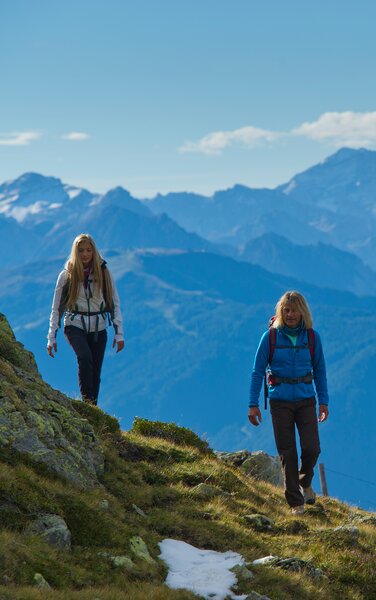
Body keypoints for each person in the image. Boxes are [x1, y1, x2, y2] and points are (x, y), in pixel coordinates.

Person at [248, 291, 329, 515]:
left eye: (294, 310)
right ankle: (296, 503)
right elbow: (257, 372)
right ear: (280, 312)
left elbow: (319, 370)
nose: (290, 314)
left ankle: (305, 481)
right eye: (286, 310)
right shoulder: (270, 337)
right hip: (279, 401)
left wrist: (323, 401)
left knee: (312, 449)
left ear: (303, 312)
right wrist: (252, 404)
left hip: (306, 400)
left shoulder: (312, 338)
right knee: (287, 452)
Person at [47, 233, 124, 406]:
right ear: (75, 251)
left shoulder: (103, 272)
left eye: (89, 250)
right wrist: (51, 337)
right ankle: (87, 403)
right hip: (74, 325)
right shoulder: (67, 275)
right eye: (81, 250)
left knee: (95, 371)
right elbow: (56, 308)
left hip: (99, 327)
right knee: (84, 358)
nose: (85, 254)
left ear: (94, 251)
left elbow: (114, 302)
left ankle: (92, 409)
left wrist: (119, 334)